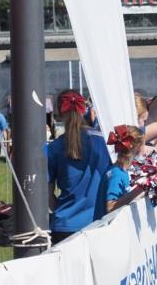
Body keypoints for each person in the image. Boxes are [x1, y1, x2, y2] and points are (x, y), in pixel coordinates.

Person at [46, 90, 112, 244]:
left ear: (58, 112)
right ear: (84, 109)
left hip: (64, 225)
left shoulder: (53, 148)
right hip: (98, 223)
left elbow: (48, 196)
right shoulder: (104, 144)